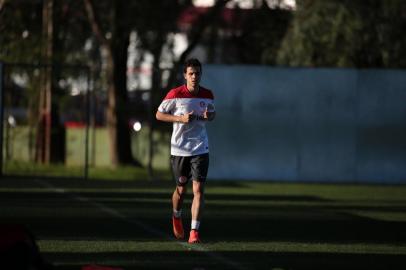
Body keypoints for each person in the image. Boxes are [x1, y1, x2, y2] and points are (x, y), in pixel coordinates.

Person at [156, 58, 216, 243]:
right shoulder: (175, 94)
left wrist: (210, 115)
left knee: (198, 189)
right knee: (181, 190)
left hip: (200, 147)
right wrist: (180, 119)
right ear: (185, 75)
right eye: (191, 73)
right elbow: (158, 114)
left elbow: (212, 114)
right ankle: (176, 215)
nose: (194, 77)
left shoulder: (207, 94)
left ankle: (194, 233)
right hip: (180, 149)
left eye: (197, 73)